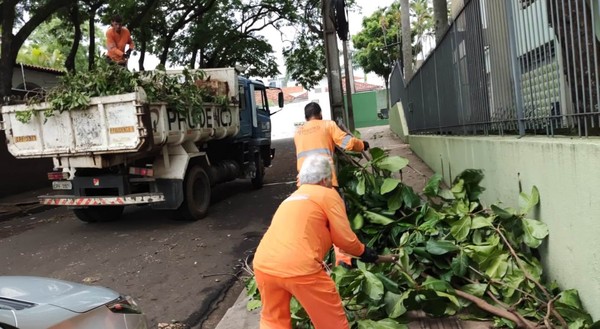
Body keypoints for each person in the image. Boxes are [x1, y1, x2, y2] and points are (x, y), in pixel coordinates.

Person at [253, 155, 393, 329]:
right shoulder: (327, 194)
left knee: (273, 320)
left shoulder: (292, 198)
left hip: (264, 266)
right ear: (325, 179)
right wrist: (364, 252)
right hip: (300, 269)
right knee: (331, 323)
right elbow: (344, 238)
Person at [294, 101, 370, 267]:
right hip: (325, 181)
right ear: (320, 114)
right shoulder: (327, 125)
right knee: (336, 222)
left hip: (304, 186)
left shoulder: (298, 132)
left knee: (314, 223)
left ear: (306, 118)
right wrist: (363, 145)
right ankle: (343, 261)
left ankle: (311, 262)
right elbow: (347, 143)